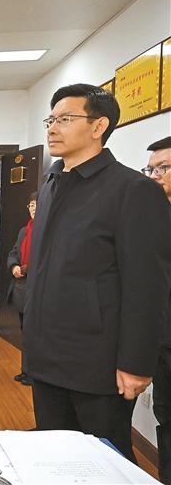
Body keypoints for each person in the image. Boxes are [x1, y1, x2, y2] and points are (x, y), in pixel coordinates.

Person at [24, 84, 171, 462]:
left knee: (103, 462)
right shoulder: (51, 185)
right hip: (45, 356)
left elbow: (146, 287)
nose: (52, 128)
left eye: (65, 119)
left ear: (99, 126)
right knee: (54, 457)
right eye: (50, 119)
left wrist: (136, 363)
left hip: (96, 362)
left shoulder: (132, 190)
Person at [145, 136, 171, 483]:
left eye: (163, 168)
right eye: (150, 169)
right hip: (163, 342)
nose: (154, 176)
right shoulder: (154, 217)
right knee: (166, 420)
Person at [6, 191, 37, 387]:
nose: (33, 209)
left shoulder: (48, 230)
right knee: (25, 331)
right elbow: (14, 252)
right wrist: (14, 266)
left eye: (37, 205)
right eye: (31, 205)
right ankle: (26, 371)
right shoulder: (24, 230)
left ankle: (34, 372)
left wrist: (26, 268)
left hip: (38, 288)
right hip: (22, 287)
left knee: (35, 333)